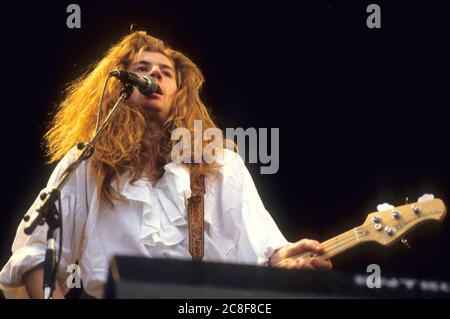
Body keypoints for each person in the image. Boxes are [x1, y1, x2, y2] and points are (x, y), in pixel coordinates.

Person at [0, 31, 331, 299]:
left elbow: (265, 250)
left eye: (165, 72)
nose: (154, 74)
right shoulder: (87, 162)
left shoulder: (218, 164)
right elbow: (36, 252)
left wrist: (287, 258)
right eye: (142, 69)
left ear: (178, 92)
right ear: (121, 87)